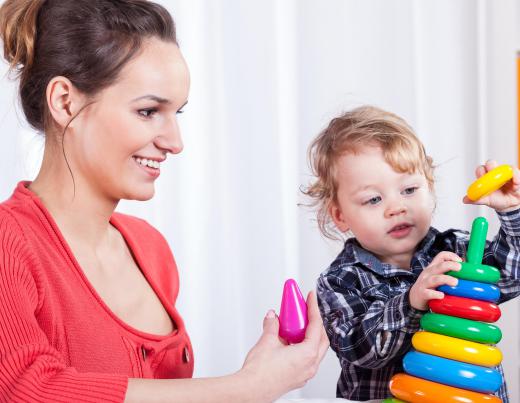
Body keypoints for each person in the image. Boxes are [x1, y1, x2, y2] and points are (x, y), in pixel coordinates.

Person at [0, 1, 329, 402]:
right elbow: (24, 389)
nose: (175, 142)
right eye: (148, 111)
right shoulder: (8, 243)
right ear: (65, 102)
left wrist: (259, 375)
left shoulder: (151, 251)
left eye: (177, 113)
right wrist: (250, 387)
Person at [304, 105, 520, 402]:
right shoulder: (339, 281)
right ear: (340, 216)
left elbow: (511, 277)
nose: (396, 207)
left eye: (409, 190)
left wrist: (512, 212)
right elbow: (362, 349)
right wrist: (411, 301)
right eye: (374, 199)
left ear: (429, 189)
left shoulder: (456, 252)